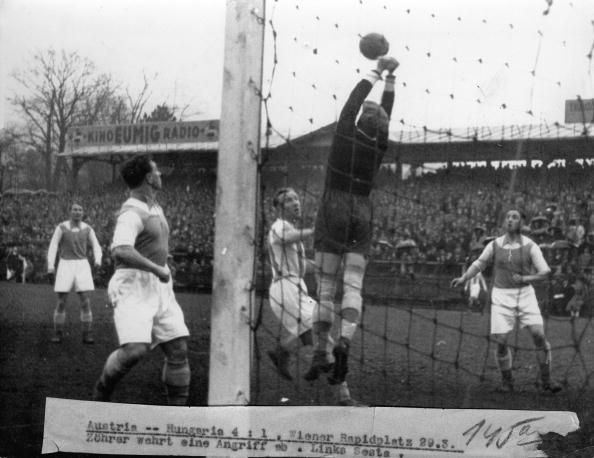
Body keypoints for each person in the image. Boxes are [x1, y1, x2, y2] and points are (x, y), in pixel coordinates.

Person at [308, 55, 399, 405]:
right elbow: (384, 113)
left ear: (361, 118)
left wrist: (377, 71)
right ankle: (344, 341)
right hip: (362, 209)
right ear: (383, 126)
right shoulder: (379, 144)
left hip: (334, 205)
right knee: (354, 286)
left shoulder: (345, 131)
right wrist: (392, 80)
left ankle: (320, 350)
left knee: (326, 288)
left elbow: (352, 101)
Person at [93, 155, 191, 405]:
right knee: (135, 350)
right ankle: (102, 391)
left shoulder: (154, 206)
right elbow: (121, 250)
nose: (160, 175)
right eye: (157, 171)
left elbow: (147, 244)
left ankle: (177, 418)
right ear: (148, 178)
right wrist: (156, 269)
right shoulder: (132, 212)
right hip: (133, 285)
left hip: (159, 286)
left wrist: (163, 260)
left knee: (178, 348)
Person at [451, 209, 562, 393]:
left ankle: (547, 380)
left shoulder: (530, 245)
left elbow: (545, 272)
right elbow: (479, 263)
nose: (510, 220)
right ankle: (507, 381)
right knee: (501, 341)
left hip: (525, 296)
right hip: (501, 296)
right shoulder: (494, 245)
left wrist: (526, 279)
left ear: (521, 223)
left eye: (515, 217)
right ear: (504, 222)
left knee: (539, 336)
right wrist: (464, 278)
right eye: (508, 217)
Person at [266, 187, 334, 381]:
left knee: (315, 332)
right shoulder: (279, 226)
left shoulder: (291, 230)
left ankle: (294, 355)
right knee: (319, 327)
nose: (296, 203)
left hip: (293, 286)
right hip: (285, 287)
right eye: (289, 200)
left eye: (296, 199)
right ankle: (291, 354)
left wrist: (323, 266)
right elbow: (287, 237)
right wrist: (315, 231)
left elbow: (302, 265)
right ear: (279, 208)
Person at [47, 203, 102, 344]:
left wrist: (98, 260)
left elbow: (96, 245)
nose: (77, 212)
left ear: (83, 213)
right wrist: (50, 266)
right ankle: (57, 333)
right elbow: (53, 245)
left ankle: (87, 334)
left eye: (80, 210)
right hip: (65, 264)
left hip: (82, 265)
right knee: (61, 301)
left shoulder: (88, 229)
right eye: (75, 210)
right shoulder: (61, 227)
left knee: (85, 301)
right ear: (70, 212)